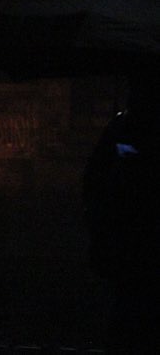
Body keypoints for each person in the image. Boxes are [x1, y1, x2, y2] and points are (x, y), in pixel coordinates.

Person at [83, 76, 160, 352]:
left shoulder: (123, 126)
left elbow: (94, 180)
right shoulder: (124, 126)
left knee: (127, 317)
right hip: (132, 242)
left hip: (127, 243)